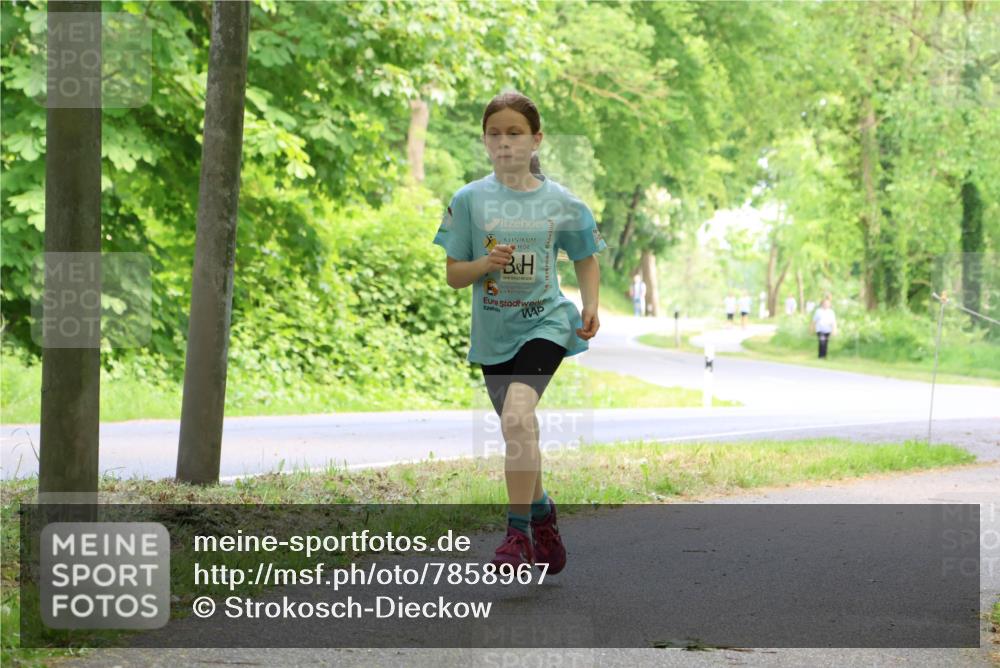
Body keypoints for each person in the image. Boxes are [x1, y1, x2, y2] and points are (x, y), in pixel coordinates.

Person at [432, 91, 607, 575]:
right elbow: (453, 275)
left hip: (547, 321)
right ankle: (543, 515)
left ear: (536, 140)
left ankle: (517, 535)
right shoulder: (469, 201)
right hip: (494, 331)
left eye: (515, 133)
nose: (504, 143)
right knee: (518, 428)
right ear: (485, 141)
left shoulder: (561, 202)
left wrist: (590, 305)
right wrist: (483, 264)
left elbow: (586, 259)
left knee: (517, 413)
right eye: (495, 134)